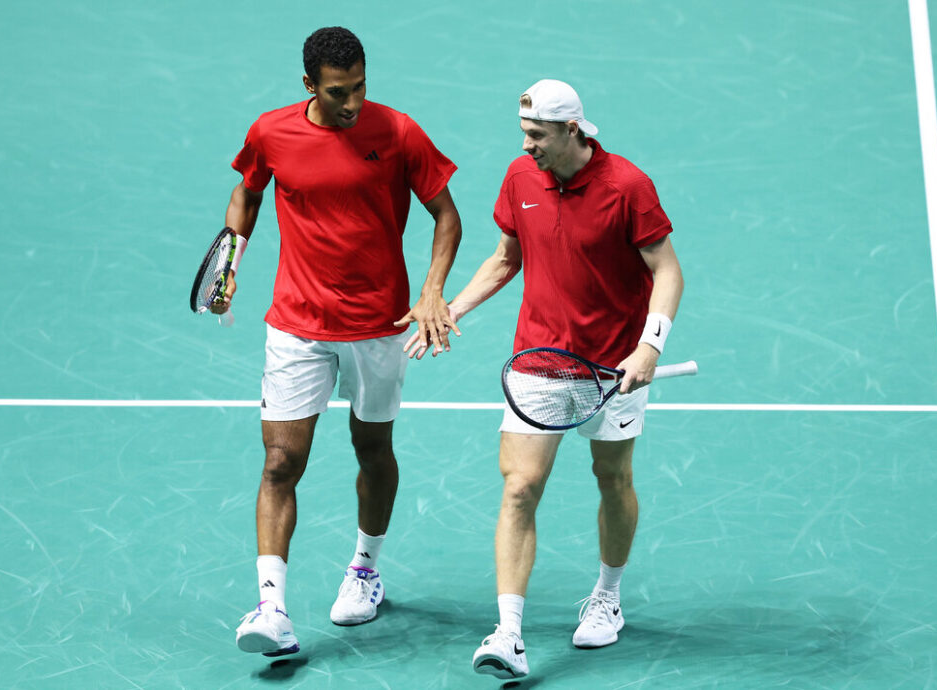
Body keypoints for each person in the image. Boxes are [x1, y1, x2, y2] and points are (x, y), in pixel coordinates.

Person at [409, 79, 683, 679]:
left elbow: (666, 270)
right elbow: (507, 258)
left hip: (613, 366)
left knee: (612, 477)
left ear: (572, 131)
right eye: (523, 132)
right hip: (538, 361)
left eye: (537, 134)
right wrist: (451, 310)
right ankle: (508, 633)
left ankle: (608, 595)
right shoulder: (520, 176)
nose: (526, 143)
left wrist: (649, 347)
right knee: (518, 487)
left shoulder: (627, 187)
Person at [216, 26, 462, 657]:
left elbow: (447, 215)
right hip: (297, 322)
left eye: (359, 87)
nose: (351, 103)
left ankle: (365, 571)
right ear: (308, 86)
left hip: (379, 326)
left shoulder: (398, 132)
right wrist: (229, 259)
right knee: (279, 463)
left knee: (371, 448)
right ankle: (271, 608)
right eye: (336, 92)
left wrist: (432, 291)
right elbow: (247, 192)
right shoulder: (272, 132)